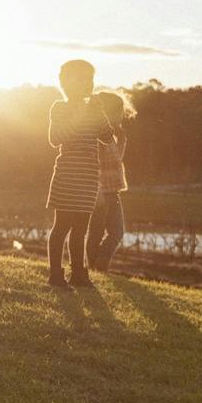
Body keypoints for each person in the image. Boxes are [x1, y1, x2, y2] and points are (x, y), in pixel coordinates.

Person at [44, 60, 113, 289]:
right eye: (84, 79)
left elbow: (107, 136)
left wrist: (98, 112)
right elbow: (56, 138)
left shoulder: (93, 109)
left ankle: (79, 274)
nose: (89, 84)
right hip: (67, 175)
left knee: (81, 230)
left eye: (91, 79)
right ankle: (55, 275)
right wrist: (79, 115)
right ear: (67, 82)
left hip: (88, 177)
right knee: (61, 227)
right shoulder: (60, 108)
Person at [86, 91, 132, 272]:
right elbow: (93, 165)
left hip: (113, 191)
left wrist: (122, 141)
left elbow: (115, 161)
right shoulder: (96, 136)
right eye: (118, 111)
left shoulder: (111, 136)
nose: (122, 115)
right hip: (100, 193)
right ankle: (94, 269)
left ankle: (98, 267)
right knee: (96, 233)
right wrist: (98, 192)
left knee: (116, 232)